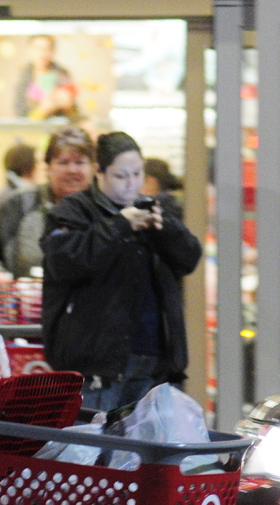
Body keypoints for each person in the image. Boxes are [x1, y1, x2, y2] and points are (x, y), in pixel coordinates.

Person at [41, 131, 201, 411]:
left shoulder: (154, 210)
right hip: (97, 365)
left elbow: (189, 258)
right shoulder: (72, 211)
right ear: (99, 173)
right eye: (121, 176)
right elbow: (65, 263)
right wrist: (119, 226)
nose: (131, 184)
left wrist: (167, 229)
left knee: (148, 450)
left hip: (155, 362)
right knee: (95, 450)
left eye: (137, 174)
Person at [0, 125, 95, 289]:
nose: (72, 170)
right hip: (26, 308)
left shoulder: (106, 210)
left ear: (93, 167)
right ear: (48, 167)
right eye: (63, 163)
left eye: (80, 162)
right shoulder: (21, 204)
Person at [14, 34, 78, 120]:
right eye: (38, 48)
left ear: (53, 51)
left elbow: (75, 115)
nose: (42, 53)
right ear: (30, 50)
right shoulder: (24, 79)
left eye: (47, 49)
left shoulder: (62, 75)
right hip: (34, 131)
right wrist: (43, 109)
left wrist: (68, 106)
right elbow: (20, 119)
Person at [0, 143, 37, 208]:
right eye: (38, 162)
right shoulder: (12, 198)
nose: (44, 166)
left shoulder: (24, 193)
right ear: (26, 165)